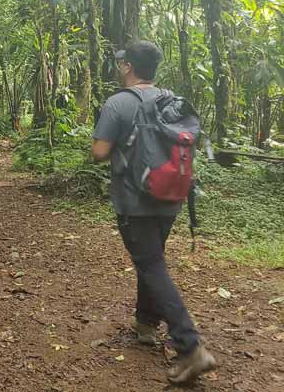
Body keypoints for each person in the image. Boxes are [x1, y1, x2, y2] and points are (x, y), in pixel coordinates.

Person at [92, 41, 216, 384]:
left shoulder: (118, 103)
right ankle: (146, 323)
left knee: (151, 264)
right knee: (152, 259)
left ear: (128, 67)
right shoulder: (170, 100)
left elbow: (99, 152)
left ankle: (190, 347)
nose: (119, 69)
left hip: (135, 202)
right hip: (172, 196)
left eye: (121, 64)